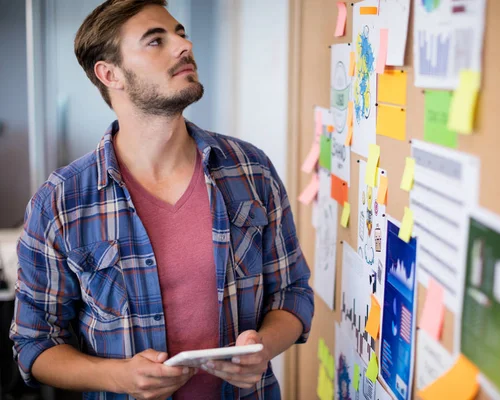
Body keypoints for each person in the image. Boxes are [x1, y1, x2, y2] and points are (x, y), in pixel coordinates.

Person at [10, 1, 314, 399]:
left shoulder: (250, 170)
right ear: (110, 74)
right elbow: (34, 344)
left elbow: (293, 292)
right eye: (156, 40)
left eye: (181, 32)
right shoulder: (60, 202)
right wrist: (118, 377)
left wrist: (265, 348)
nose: (183, 46)